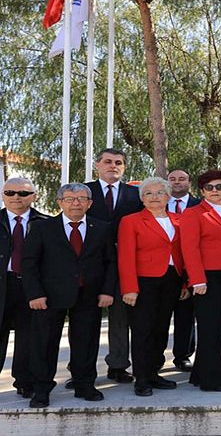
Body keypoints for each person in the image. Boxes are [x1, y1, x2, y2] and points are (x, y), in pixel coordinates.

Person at [23, 183, 117, 407]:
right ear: (60, 202)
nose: (76, 203)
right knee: (44, 343)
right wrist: (35, 294)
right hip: (49, 296)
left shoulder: (102, 227)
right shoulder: (42, 228)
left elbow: (111, 263)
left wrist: (107, 291)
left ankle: (84, 384)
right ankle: (42, 389)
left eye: (82, 198)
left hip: (89, 295)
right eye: (70, 198)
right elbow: (29, 263)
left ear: (90, 203)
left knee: (86, 341)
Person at [118, 177, 186, 397]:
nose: (155, 197)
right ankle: (142, 378)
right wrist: (129, 287)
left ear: (168, 196)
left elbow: (185, 254)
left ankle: (154, 372)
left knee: (161, 328)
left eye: (159, 193)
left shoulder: (179, 220)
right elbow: (125, 256)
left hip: (171, 280)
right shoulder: (131, 221)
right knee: (142, 330)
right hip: (143, 281)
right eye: (149, 193)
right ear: (142, 198)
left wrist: (184, 282)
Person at [180, 170, 221, 392]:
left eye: (219, 187)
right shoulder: (193, 213)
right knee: (209, 328)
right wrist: (197, 279)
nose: (214, 191)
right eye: (209, 187)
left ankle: (198, 374)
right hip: (206, 277)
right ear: (202, 191)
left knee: (217, 327)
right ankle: (212, 379)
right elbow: (189, 249)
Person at [86, 148, 143, 384]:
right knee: (85, 320)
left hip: (122, 264)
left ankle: (118, 365)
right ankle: (82, 370)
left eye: (118, 162)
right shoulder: (83, 191)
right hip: (88, 264)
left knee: (120, 318)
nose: (113, 166)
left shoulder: (136, 194)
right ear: (97, 165)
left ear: (124, 167)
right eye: (107, 162)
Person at [0, 178, 48, 398]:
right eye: (10, 192)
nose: (16, 197)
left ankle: (25, 381)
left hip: (31, 286)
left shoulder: (45, 223)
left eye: (22, 193)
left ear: (33, 196)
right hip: (3, 283)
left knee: (28, 336)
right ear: (3, 195)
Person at [166, 169, 201, 372]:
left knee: (186, 316)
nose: (177, 182)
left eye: (182, 179)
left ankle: (183, 355)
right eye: (173, 179)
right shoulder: (156, 202)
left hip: (191, 268)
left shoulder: (200, 206)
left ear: (189, 182)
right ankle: (156, 355)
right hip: (164, 267)